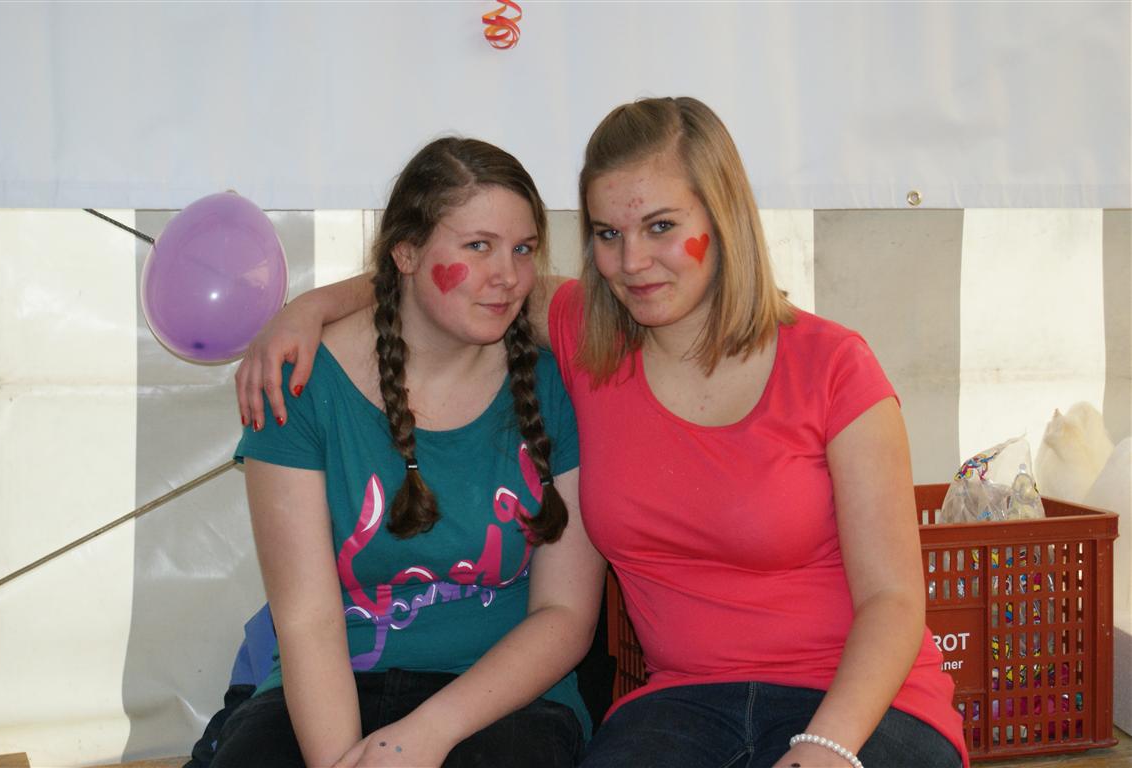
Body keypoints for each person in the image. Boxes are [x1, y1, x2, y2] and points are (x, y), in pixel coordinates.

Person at [235, 98, 969, 768]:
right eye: (607, 234)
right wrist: (307, 309)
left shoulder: (833, 365)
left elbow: (894, 601)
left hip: (863, 705)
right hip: (685, 703)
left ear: (724, 218)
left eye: (661, 227)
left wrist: (826, 747)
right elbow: (434, 279)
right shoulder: (587, 342)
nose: (631, 262)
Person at [214, 137, 605, 768]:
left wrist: (424, 735)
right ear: (406, 252)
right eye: (478, 246)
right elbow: (309, 621)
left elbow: (565, 614)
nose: (508, 276)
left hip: (501, 697)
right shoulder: (301, 383)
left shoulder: (558, 382)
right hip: (331, 687)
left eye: (523, 248)